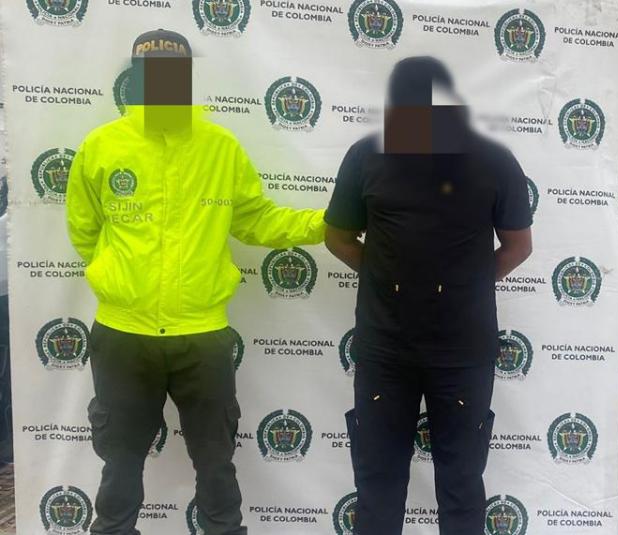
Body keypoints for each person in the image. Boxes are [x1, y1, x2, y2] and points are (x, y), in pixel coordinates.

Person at [65, 29, 326, 535]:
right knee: (120, 462)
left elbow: (257, 219)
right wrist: (121, 278)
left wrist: (328, 222)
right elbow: (84, 229)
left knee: (215, 462)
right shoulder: (102, 146)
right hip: (123, 335)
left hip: (201, 337)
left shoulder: (219, 147)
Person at [324, 56, 533, 534]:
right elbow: (338, 237)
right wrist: (383, 276)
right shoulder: (366, 156)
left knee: (461, 484)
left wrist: (466, 286)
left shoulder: (493, 160)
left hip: (462, 351)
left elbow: (518, 246)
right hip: (385, 349)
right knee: (378, 483)